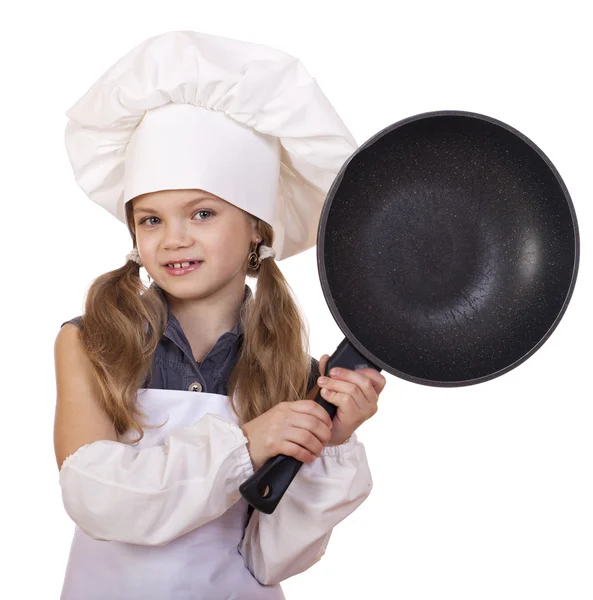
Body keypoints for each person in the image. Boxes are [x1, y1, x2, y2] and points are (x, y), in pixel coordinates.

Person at [54, 30, 387, 600]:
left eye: (202, 212)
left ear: (258, 227)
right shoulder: (93, 343)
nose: (173, 239)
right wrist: (245, 443)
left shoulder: (297, 374)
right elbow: (95, 499)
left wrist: (330, 442)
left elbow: (269, 559)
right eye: (151, 219)